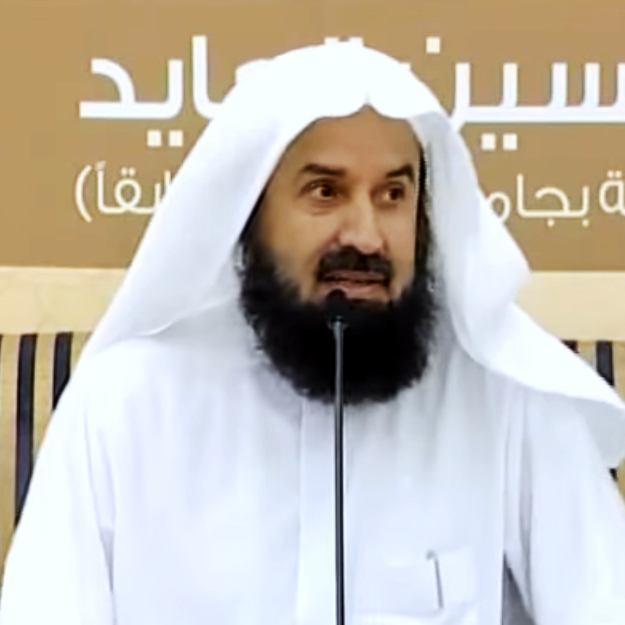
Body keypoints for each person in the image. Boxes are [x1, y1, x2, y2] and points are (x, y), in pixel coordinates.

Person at [1, 41, 624, 625]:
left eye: (392, 194)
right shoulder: (124, 406)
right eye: (325, 191)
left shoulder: (505, 398)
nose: (366, 235)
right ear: (251, 213)